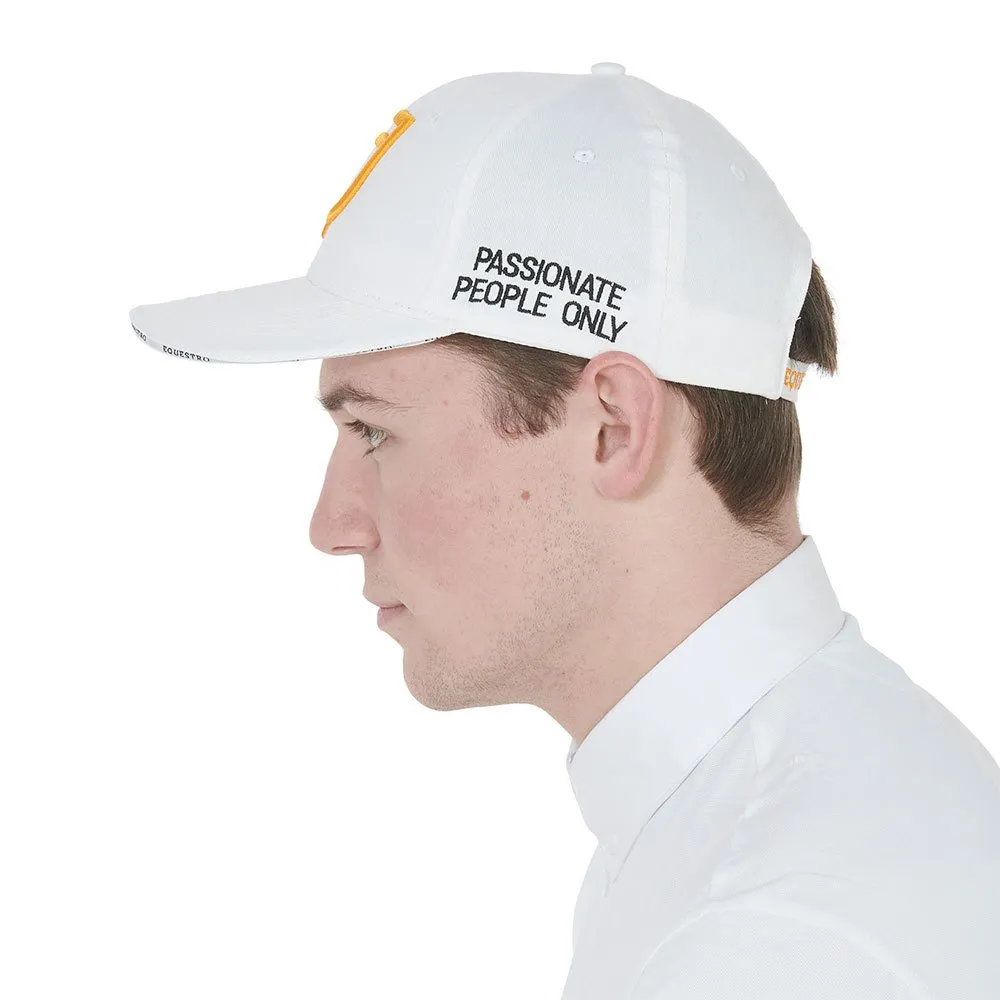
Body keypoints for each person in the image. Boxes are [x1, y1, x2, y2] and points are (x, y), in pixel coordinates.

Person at [129, 63, 1000, 999]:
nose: (331, 526)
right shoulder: (768, 815)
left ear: (614, 428)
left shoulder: (773, 936)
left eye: (374, 431)